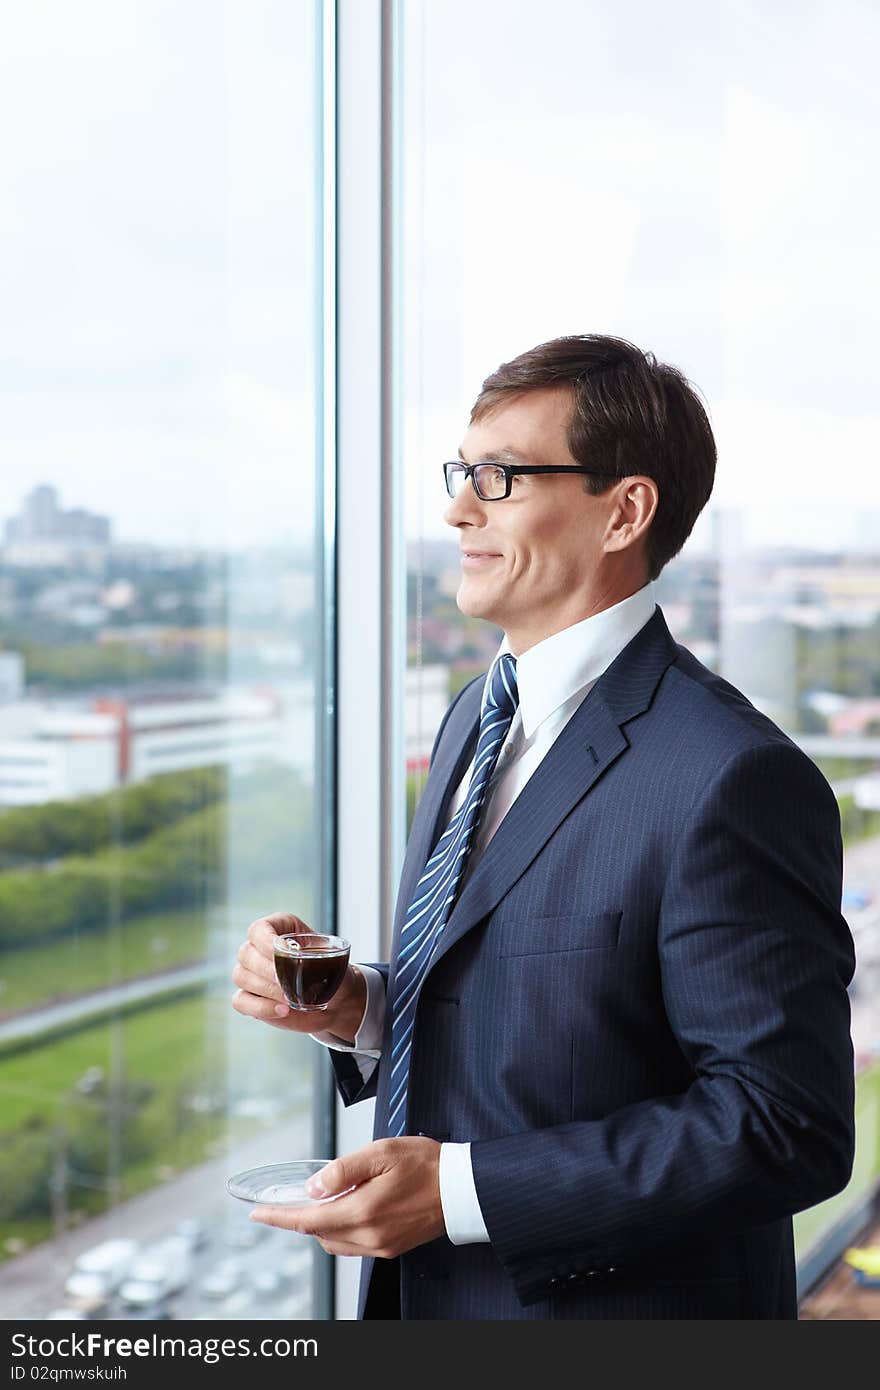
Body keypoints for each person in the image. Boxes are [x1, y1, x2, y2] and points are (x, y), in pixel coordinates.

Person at [231, 333, 855, 1320]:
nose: (454, 508)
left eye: (499, 476)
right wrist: (356, 1007)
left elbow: (783, 1125)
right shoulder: (477, 713)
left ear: (624, 511)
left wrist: (459, 1193)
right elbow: (545, 1014)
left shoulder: (731, 776)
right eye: (460, 471)